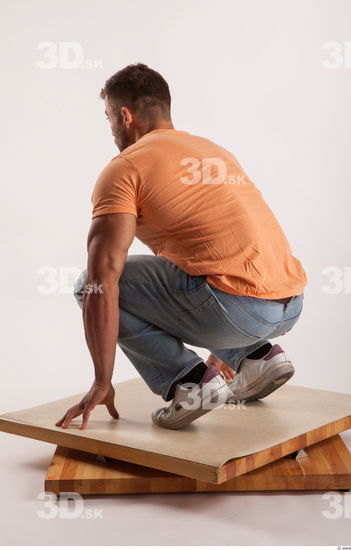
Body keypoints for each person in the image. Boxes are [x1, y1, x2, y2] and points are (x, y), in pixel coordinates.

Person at [56, 63, 307, 431]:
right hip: (291, 304)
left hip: (233, 310)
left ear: (125, 116)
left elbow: (102, 280)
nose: (110, 128)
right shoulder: (214, 151)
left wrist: (101, 381)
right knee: (186, 275)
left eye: (109, 117)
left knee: (87, 284)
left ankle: (189, 384)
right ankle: (257, 359)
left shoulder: (126, 167)